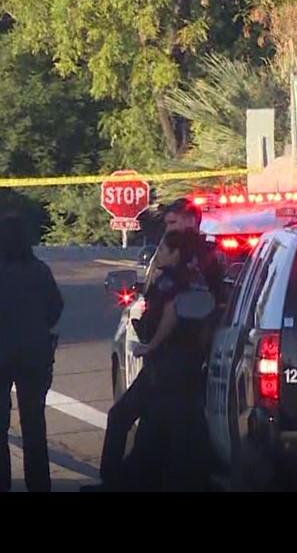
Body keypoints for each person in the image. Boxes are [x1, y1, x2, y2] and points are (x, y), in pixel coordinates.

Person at [83, 197, 220, 492]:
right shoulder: (188, 261)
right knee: (154, 431)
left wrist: (152, 344)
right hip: (171, 362)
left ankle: (115, 481)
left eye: (173, 223)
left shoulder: (194, 264)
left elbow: (178, 308)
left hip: (173, 362)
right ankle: (127, 479)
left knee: (135, 422)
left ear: (190, 222)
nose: (168, 231)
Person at [0, 213, 64, 493]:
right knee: (34, 426)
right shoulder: (40, 270)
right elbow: (56, 308)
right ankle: (39, 485)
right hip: (35, 356)